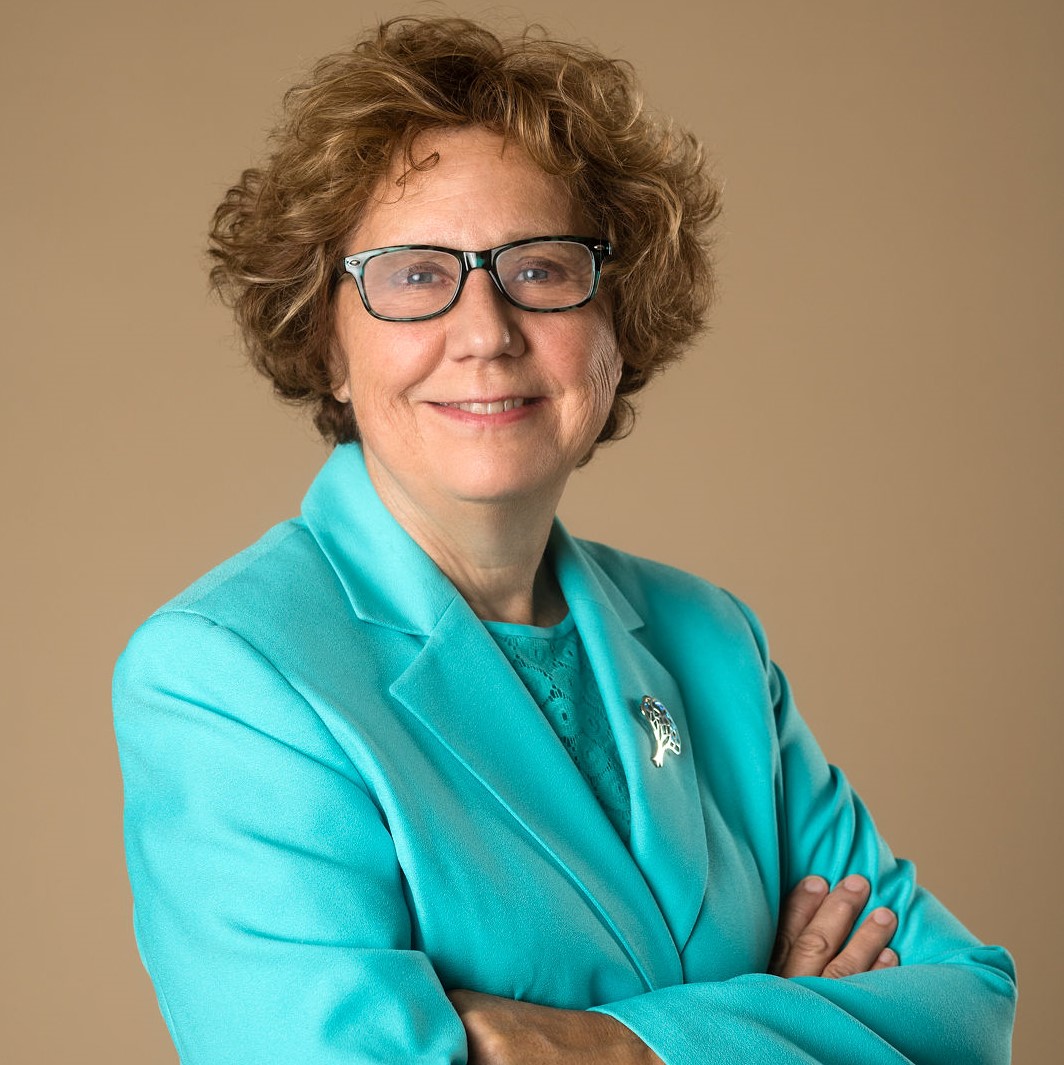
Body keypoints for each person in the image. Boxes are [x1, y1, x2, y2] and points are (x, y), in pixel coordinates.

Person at [113, 16, 1015, 1064]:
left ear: (617, 321)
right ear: (324, 340)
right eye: (413, 275)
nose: (487, 329)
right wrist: (787, 1023)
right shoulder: (225, 675)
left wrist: (615, 1050)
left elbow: (966, 1010)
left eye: (540, 268)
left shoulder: (711, 640)